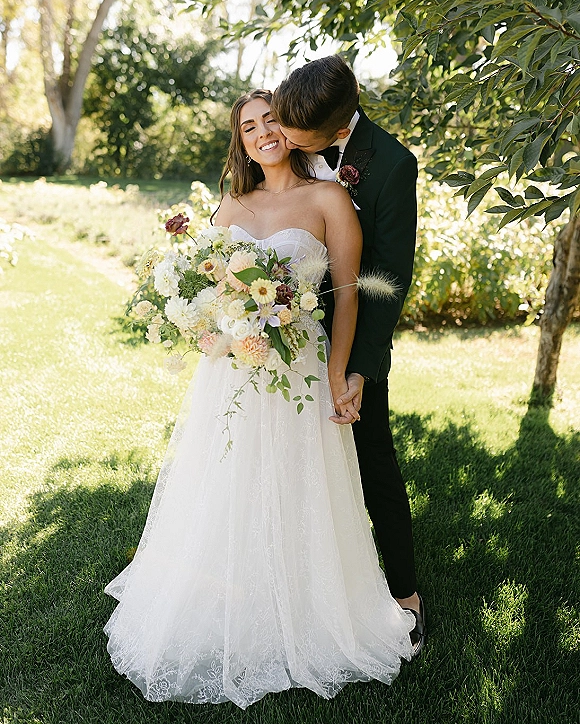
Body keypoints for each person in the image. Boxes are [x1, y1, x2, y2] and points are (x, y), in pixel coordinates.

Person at [104, 88, 414, 708]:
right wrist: (206, 329)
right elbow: (206, 289)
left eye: (270, 119)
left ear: (292, 128)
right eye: (249, 127)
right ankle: (233, 600)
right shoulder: (229, 207)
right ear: (240, 142)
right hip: (234, 375)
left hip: (299, 368)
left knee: (302, 486)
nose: (263, 133)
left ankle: (311, 606)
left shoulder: (329, 197)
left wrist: (338, 372)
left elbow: (349, 293)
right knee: (231, 482)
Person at [271, 55, 425, 656]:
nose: (281, 142)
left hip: (348, 335)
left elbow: (386, 279)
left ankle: (407, 596)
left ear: (340, 133)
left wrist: (358, 368)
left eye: (296, 140)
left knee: (372, 462)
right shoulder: (292, 122)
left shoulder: (390, 166)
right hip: (277, 336)